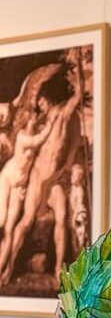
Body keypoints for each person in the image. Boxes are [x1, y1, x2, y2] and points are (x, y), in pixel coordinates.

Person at [0, 51, 84, 286]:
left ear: (49, 100)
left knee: (62, 218)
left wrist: (77, 69)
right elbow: (34, 143)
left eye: (42, 102)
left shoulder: (62, 116)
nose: (39, 106)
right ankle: (7, 268)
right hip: (37, 177)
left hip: (54, 179)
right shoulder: (38, 126)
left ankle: (58, 269)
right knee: (26, 221)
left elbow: (77, 98)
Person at [0, 108, 58, 274]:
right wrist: (51, 123)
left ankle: (2, 269)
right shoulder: (22, 137)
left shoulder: (33, 133)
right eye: (32, 117)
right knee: (1, 220)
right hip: (7, 178)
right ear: (26, 121)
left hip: (19, 186)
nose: (35, 118)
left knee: (10, 229)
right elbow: (38, 140)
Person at [68, 163, 89, 256]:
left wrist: (74, 218)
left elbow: (79, 205)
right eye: (72, 175)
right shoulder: (73, 188)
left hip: (78, 216)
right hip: (73, 215)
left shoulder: (79, 189)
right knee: (74, 240)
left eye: (74, 175)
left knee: (79, 239)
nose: (72, 177)